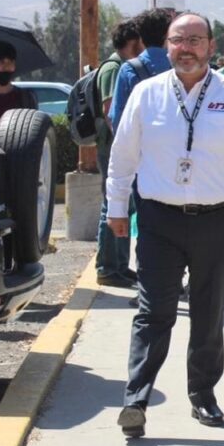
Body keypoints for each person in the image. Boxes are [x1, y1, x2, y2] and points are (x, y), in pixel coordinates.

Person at [107, 13, 224, 438]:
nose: (187, 48)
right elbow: (123, 156)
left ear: (211, 46)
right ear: (166, 45)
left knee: (208, 312)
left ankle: (203, 394)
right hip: (159, 219)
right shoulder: (147, 94)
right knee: (154, 311)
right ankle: (135, 400)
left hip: (219, 221)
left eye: (195, 40)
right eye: (178, 40)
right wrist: (116, 208)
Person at [94, 19, 144, 288]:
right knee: (112, 205)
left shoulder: (120, 66)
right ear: (134, 42)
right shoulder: (115, 69)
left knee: (124, 206)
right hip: (112, 148)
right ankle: (107, 267)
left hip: (116, 147)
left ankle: (120, 267)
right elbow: (110, 111)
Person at [108, 7, 175, 130]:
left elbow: (117, 118)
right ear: (168, 36)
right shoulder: (179, 67)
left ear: (141, 38)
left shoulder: (128, 69)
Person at [0, 40, 38, 125]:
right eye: (0, 62)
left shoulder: (26, 97)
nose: (6, 67)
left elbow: (34, 128)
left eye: (10, 62)